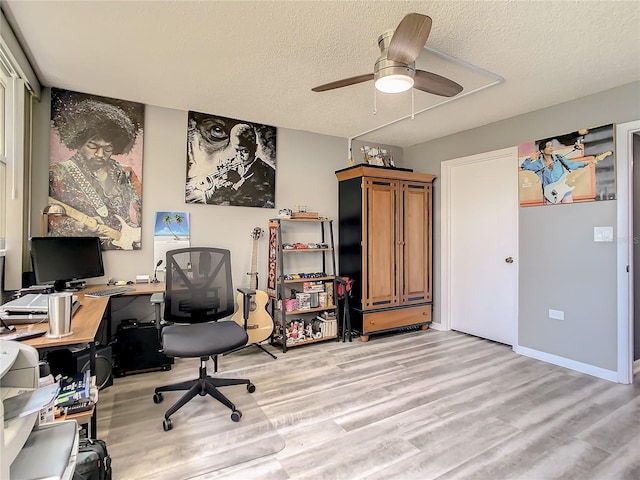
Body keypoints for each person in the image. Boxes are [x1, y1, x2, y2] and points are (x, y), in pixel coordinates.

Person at [49, 98, 143, 250]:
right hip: (81, 252)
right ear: (79, 143)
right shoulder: (58, 173)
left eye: (108, 149)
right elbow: (48, 218)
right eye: (93, 146)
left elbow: (142, 208)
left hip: (125, 246)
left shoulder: (126, 173)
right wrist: (79, 226)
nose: (100, 154)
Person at [206, 123, 276, 208]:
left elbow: (266, 204)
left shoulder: (269, 173)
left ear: (255, 148)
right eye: (236, 150)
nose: (238, 156)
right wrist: (215, 187)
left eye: (244, 151)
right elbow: (211, 201)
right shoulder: (228, 165)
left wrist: (239, 182)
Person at [520, 137, 592, 204]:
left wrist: (585, 164)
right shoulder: (538, 164)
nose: (551, 148)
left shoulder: (559, 158)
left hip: (564, 190)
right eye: (548, 146)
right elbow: (524, 166)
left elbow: (571, 164)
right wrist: (530, 159)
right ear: (542, 150)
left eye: (551, 146)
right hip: (550, 193)